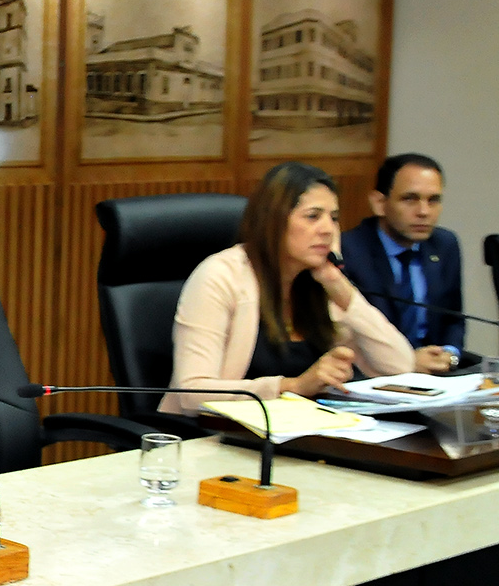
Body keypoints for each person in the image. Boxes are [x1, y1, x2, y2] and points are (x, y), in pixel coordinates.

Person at [160, 161, 412, 415]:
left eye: (333, 218)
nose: (328, 230)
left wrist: (338, 285)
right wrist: (292, 386)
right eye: (313, 216)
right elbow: (191, 393)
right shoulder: (220, 276)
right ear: (274, 221)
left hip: (305, 429)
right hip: (216, 431)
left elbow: (401, 367)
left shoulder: (320, 284)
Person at [337, 152, 466, 373]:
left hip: (435, 375)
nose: (424, 212)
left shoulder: (444, 245)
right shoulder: (348, 251)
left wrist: (449, 354)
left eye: (433, 200)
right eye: (410, 199)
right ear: (379, 203)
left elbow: (453, 317)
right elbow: (347, 336)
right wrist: (406, 362)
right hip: (372, 375)